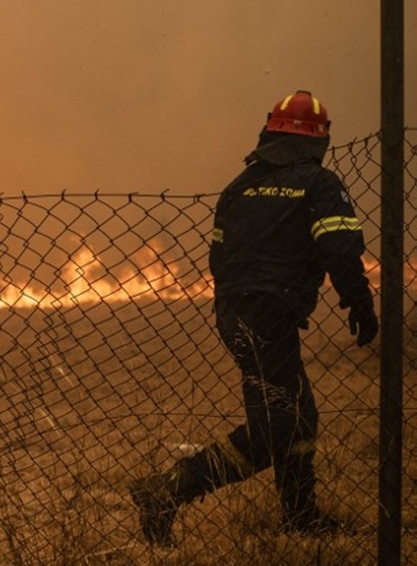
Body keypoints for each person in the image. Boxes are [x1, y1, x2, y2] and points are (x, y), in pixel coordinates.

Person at [130, 90, 379, 546]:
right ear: (319, 141)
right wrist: (359, 302)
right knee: (275, 427)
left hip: (236, 313)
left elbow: (218, 259)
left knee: (298, 414)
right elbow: (340, 249)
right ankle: (166, 490)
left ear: (270, 133)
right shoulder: (319, 184)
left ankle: (300, 516)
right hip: (271, 315)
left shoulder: (239, 186)